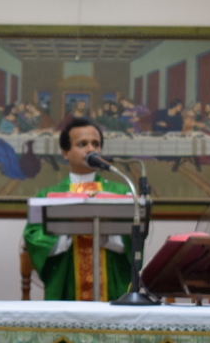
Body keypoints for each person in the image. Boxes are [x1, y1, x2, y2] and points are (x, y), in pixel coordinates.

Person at [22, 118, 132, 301]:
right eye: (82, 144)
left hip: (111, 287)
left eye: (96, 144)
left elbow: (135, 240)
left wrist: (104, 233)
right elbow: (34, 237)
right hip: (67, 285)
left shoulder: (121, 192)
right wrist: (69, 227)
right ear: (65, 152)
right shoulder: (47, 196)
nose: (91, 149)